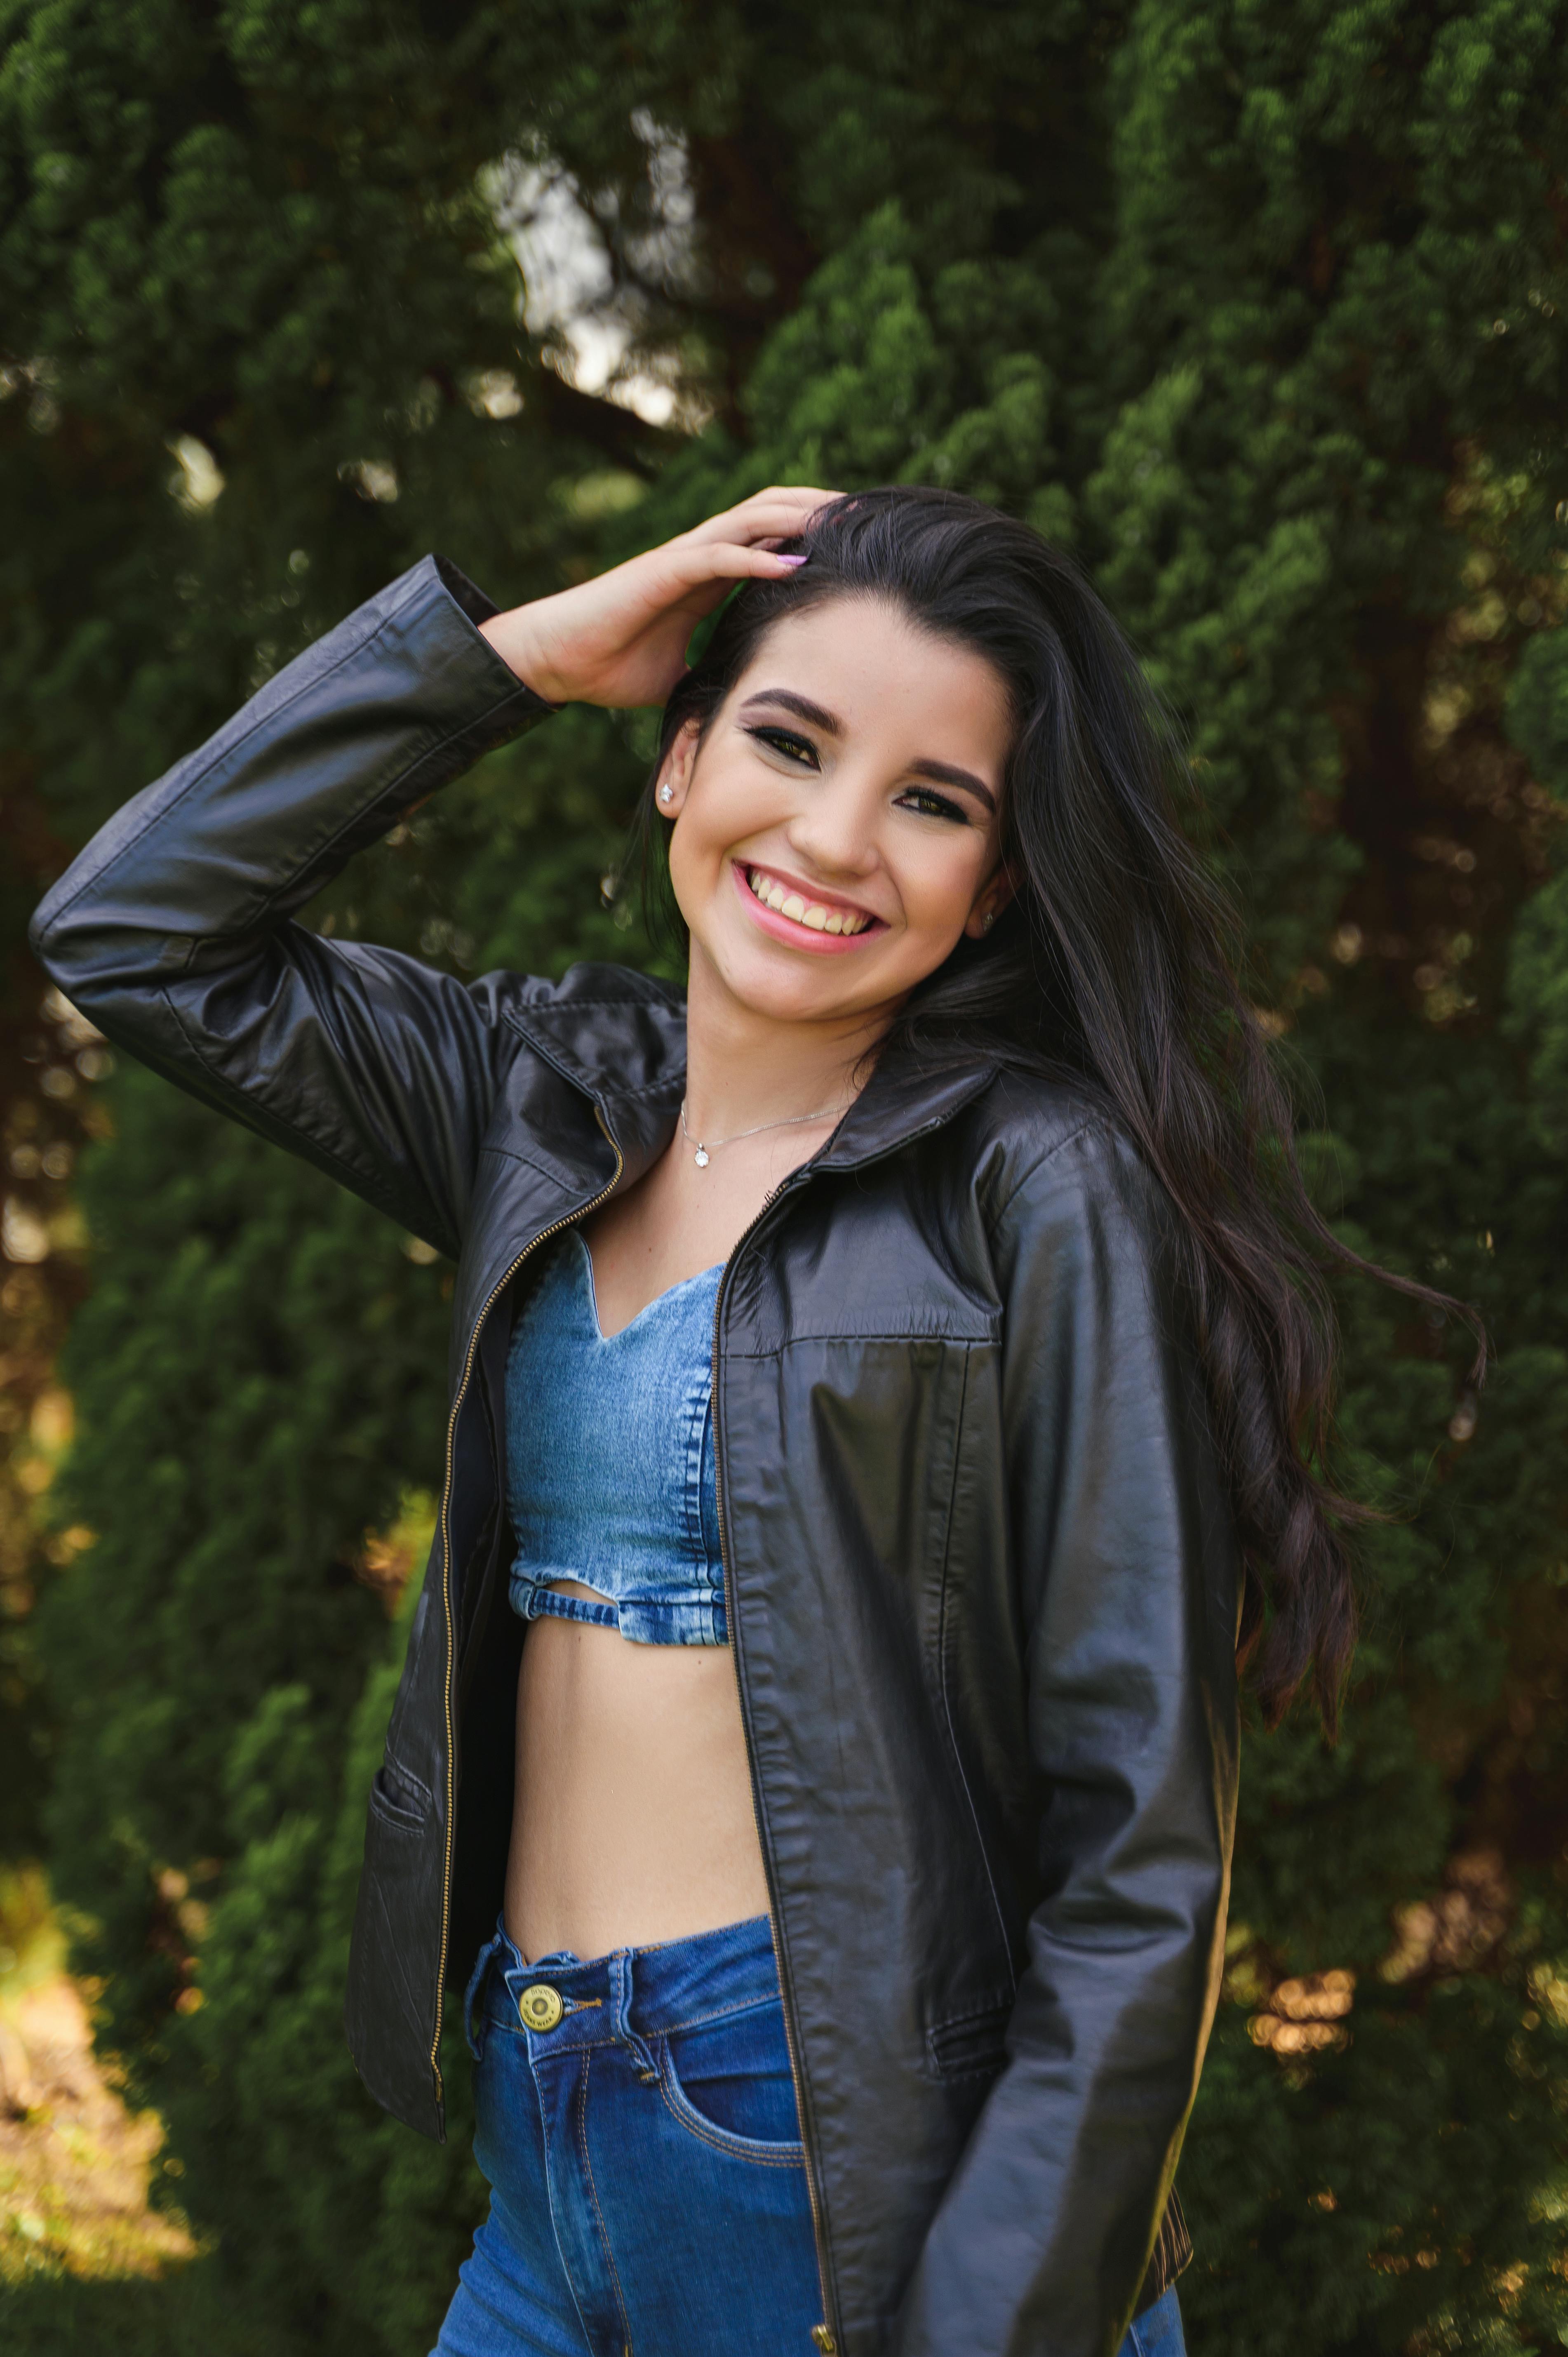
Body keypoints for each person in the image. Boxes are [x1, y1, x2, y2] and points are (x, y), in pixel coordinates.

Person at [29, 485, 1392, 2356]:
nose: (836, 837)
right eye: (787, 740)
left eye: (935, 799)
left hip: (842, 2184)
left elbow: (1138, 1845)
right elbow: (133, 929)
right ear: (680, 760)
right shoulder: (535, 1103)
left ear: (993, 884)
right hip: (549, 2143)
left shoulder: (1034, 1185)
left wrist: (995, 2324)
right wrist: (510, 654)